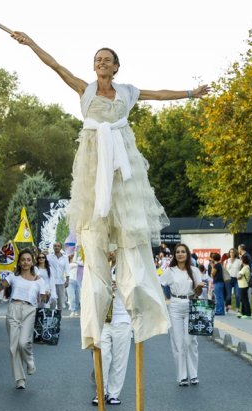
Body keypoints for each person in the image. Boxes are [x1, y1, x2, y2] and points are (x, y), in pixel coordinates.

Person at [12, 30, 210, 350]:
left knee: (132, 237)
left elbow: (158, 94)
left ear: (116, 67)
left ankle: (139, 306)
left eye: (107, 60)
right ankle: (97, 313)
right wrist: (31, 43)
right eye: (97, 60)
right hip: (93, 164)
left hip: (121, 161)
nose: (101, 63)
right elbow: (55, 66)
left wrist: (191, 92)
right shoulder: (85, 89)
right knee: (94, 236)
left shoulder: (127, 93)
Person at [0, 249, 48, 389]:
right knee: (13, 347)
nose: (25, 262)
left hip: (29, 310)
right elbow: (0, 286)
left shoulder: (39, 281)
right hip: (13, 310)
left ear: (32, 261)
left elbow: (44, 299)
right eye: (23, 260)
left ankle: (30, 361)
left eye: (28, 260)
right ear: (19, 262)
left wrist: (47, 294)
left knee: (23, 342)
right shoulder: (13, 277)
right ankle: (20, 379)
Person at [160, 243, 204, 386]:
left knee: (190, 341)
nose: (180, 254)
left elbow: (198, 293)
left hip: (191, 305)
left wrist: (198, 288)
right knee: (178, 343)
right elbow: (160, 283)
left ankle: (194, 374)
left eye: (183, 252)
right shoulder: (170, 271)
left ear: (187, 254)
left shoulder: (195, 270)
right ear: (174, 255)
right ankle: (182, 376)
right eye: (178, 252)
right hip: (175, 306)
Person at [93, 251, 132, 405]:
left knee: (120, 358)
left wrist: (120, 286)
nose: (111, 253)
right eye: (108, 249)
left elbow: (136, 289)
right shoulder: (98, 268)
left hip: (122, 317)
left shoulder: (128, 269)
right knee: (102, 357)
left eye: (114, 250)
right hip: (103, 319)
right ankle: (100, 392)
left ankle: (113, 393)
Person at [47, 242, 69, 311]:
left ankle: (58, 317)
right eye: (55, 246)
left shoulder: (65, 257)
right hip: (51, 282)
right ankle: (51, 316)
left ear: (61, 247)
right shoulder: (49, 256)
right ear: (53, 247)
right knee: (52, 300)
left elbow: (67, 269)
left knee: (60, 302)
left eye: (58, 246)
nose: (56, 247)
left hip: (61, 282)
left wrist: (67, 280)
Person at [67, 250, 84, 317]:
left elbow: (83, 264)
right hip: (70, 281)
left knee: (77, 298)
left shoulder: (79, 260)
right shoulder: (67, 262)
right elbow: (69, 267)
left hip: (78, 281)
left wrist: (76, 261)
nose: (72, 254)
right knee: (72, 297)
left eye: (73, 253)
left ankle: (76, 310)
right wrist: (76, 263)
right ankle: (72, 311)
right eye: (71, 253)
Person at [225, 248, 242, 312]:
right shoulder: (226, 261)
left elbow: (242, 269)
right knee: (229, 295)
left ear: (235, 253)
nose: (231, 253)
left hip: (236, 279)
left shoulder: (239, 261)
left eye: (233, 252)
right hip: (228, 279)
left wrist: (240, 275)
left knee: (237, 294)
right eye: (230, 252)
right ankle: (227, 306)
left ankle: (238, 308)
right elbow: (224, 270)